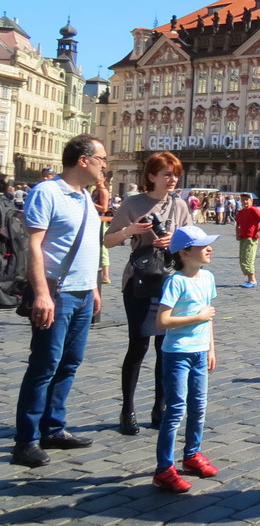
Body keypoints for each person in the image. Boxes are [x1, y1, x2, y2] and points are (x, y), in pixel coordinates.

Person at [12, 134, 106, 467]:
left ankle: (54, 426)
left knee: (69, 363)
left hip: (82, 292)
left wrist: (94, 286)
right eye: (102, 159)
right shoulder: (47, 192)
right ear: (84, 160)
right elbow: (33, 246)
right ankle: (26, 439)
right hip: (57, 292)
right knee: (44, 365)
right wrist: (40, 293)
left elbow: (87, 246)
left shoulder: (83, 197)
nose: (104, 166)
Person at [105, 152, 191, 436]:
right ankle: (127, 409)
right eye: (167, 173)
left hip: (170, 281)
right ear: (151, 176)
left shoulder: (179, 205)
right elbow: (108, 240)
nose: (172, 179)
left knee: (164, 348)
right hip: (141, 281)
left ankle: (160, 407)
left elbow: (192, 241)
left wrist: (175, 240)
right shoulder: (133, 203)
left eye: (175, 174)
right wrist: (130, 230)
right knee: (139, 345)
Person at [152, 226, 220, 493]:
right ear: (184, 252)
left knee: (199, 407)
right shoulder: (176, 281)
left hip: (200, 352)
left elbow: (210, 317)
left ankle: (192, 454)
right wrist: (197, 318)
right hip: (177, 353)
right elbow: (162, 321)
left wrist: (211, 349)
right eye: (203, 245)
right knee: (176, 410)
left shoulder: (208, 278)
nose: (209, 248)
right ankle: (164, 469)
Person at [235, 193, 260, 287]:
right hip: (243, 237)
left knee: (248, 258)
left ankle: (252, 280)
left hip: (251, 237)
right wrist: (237, 233)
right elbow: (238, 224)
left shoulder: (253, 209)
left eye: (247, 200)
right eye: (243, 200)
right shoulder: (241, 212)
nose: (245, 202)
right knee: (242, 258)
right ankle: (250, 279)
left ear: (251, 201)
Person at [92, 172, 112, 284]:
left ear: (104, 178)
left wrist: (89, 202)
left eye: (99, 177)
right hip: (94, 220)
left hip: (101, 221)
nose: (96, 180)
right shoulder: (95, 191)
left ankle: (105, 275)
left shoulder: (103, 191)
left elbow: (104, 208)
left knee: (103, 247)